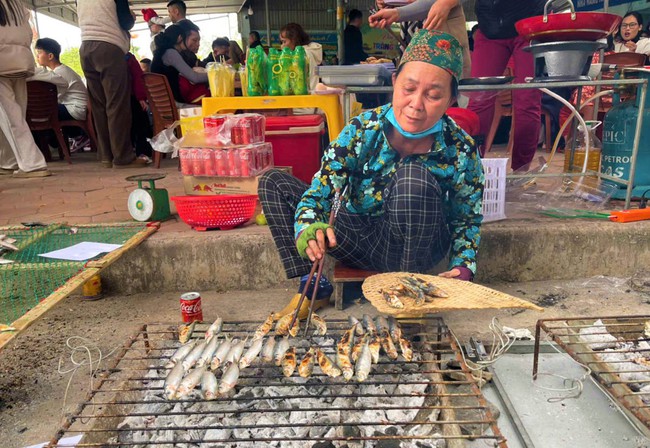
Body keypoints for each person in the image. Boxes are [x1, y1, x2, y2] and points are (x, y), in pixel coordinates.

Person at [259, 30, 484, 319]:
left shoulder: (460, 148)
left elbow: (467, 217)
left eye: (433, 95)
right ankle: (313, 283)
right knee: (273, 182)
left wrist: (464, 265)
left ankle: (408, 292)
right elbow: (322, 188)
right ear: (394, 83)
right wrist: (308, 226)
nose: (416, 104)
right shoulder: (363, 128)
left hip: (421, 245)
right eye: (408, 89)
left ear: (452, 98)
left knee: (413, 177)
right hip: (363, 240)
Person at [468, 0, 546, 171]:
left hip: (530, 25)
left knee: (527, 100)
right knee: (478, 100)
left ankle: (521, 170)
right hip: (490, 27)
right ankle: (471, 166)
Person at [78, 0, 144, 168]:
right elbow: (125, 21)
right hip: (109, 46)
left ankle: (106, 155)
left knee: (99, 105)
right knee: (117, 104)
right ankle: (123, 157)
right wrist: (132, 17)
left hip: (85, 47)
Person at [0, 0, 50, 177]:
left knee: (10, 116)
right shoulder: (16, 3)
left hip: (2, 61)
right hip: (20, 61)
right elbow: (28, 31)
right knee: (16, 114)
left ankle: (32, 163)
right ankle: (8, 161)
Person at [369, 0, 471, 78]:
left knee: (444, 90)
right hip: (410, 33)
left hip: (442, 33)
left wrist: (446, 2)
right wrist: (388, 4)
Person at [31, 37, 89, 152]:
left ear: (50, 56)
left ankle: (52, 145)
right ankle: (60, 142)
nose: (37, 56)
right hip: (74, 107)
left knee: (40, 112)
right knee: (42, 112)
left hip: (75, 109)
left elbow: (54, 99)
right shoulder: (60, 70)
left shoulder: (59, 73)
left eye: (39, 53)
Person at [151, 23, 209, 104]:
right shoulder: (171, 53)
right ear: (180, 38)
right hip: (174, 104)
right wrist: (216, 75)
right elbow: (195, 78)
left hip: (163, 104)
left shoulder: (162, 52)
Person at [126, 52, 153, 164]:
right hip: (133, 98)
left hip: (118, 100)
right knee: (141, 125)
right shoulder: (129, 58)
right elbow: (138, 77)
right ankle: (143, 153)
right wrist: (141, 97)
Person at [280, 23, 323, 92]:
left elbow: (312, 77)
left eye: (284, 42)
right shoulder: (298, 54)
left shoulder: (304, 54)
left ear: (294, 39)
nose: (282, 46)